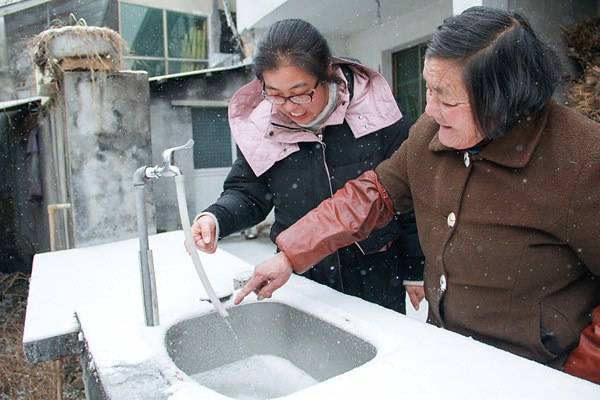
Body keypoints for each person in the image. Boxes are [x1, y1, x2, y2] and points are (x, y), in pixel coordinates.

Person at [235, 7, 600, 383]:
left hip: (536, 374)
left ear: (503, 99)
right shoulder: (431, 134)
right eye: (429, 88)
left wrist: (575, 377)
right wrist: (291, 254)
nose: (429, 109)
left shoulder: (581, 160)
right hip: (448, 353)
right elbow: (370, 196)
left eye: (447, 99)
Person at [192, 19, 425, 314]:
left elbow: (407, 195)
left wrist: (415, 267)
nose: (289, 106)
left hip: (375, 271)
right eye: (274, 93)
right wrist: (216, 217)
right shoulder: (264, 126)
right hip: (300, 275)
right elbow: (250, 192)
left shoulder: (375, 112)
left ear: (326, 73)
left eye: (300, 92)